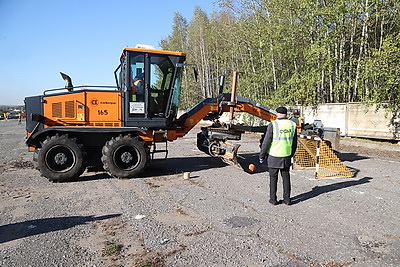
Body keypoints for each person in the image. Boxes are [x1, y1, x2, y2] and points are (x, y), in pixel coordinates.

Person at [259, 106, 298, 205]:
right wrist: (291, 154)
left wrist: (262, 155)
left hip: (274, 156)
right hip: (286, 156)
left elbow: (266, 142)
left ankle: (273, 199)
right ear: (286, 114)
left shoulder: (273, 124)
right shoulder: (293, 125)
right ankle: (287, 199)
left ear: (277, 114)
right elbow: (294, 143)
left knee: (273, 178)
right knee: (286, 178)